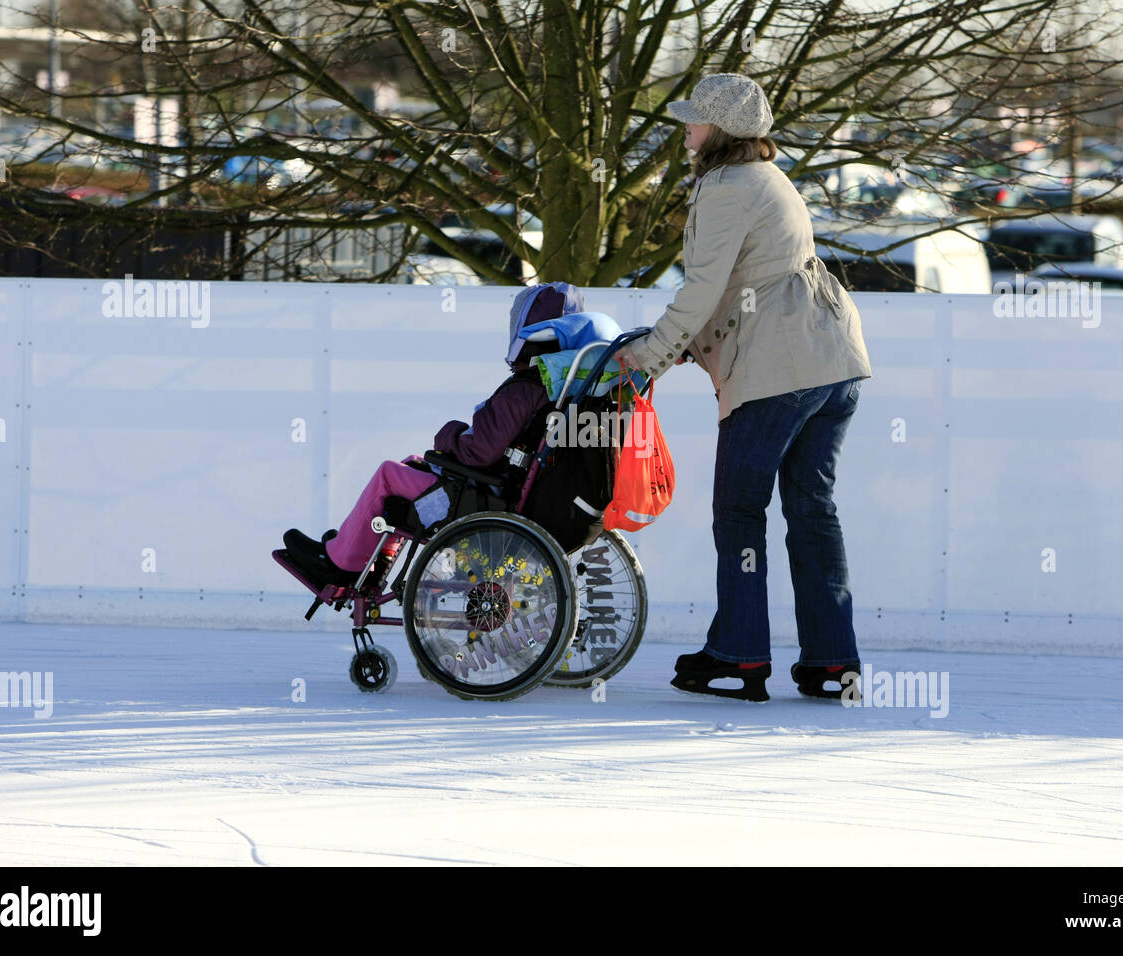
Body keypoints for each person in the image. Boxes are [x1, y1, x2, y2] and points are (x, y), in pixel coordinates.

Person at [615, 73, 873, 703]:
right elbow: (746, 285)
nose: (685, 130)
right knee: (812, 512)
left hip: (777, 371)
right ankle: (831, 663)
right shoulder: (770, 177)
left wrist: (649, 355)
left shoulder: (724, 187)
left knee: (738, 511)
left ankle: (740, 655)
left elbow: (704, 290)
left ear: (720, 131)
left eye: (694, 120)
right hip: (831, 361)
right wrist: (681, 346)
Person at [282, 282, 584, 587]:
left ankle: (340, 564)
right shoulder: (559, 388)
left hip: (481, 500)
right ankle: (362, 559)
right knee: (411, 464)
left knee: (389, 474)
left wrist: (448, 434)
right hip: (502, 493)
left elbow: (478, 453)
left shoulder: (523, 389)